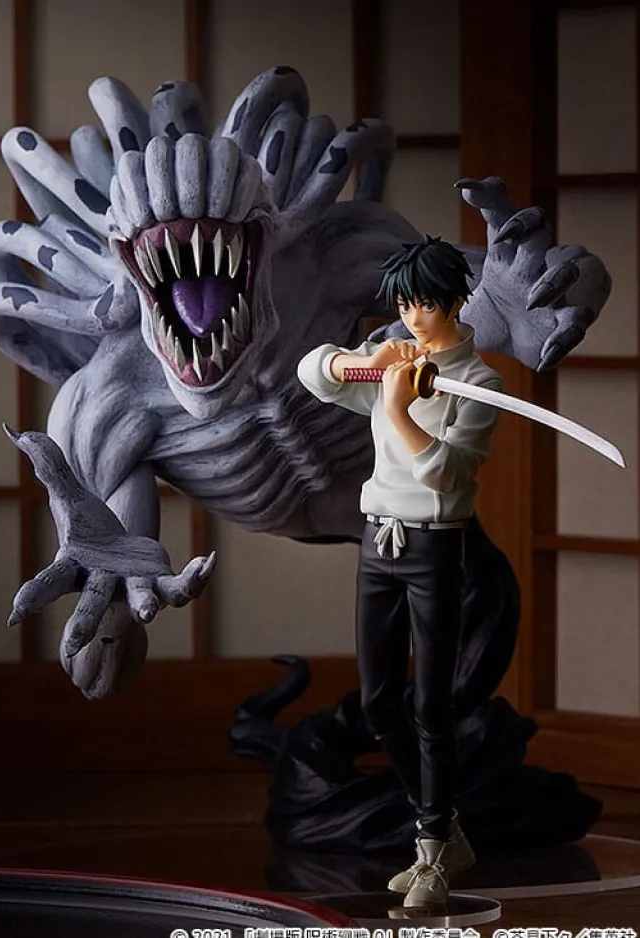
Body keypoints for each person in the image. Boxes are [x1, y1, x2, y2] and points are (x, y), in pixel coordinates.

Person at [296, 236, 503, 914]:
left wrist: (396, 410)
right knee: (378, 702)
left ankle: (433, 848)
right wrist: (364, 363)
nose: (414, 317)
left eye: (427, 304)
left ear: (456, 301)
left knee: (430, 707)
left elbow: (448, 473)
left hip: (435, 547)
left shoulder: (480, 384)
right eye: (405, 304)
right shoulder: (396, 358)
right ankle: (442, 829)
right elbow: (311, 375)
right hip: (377, 542)